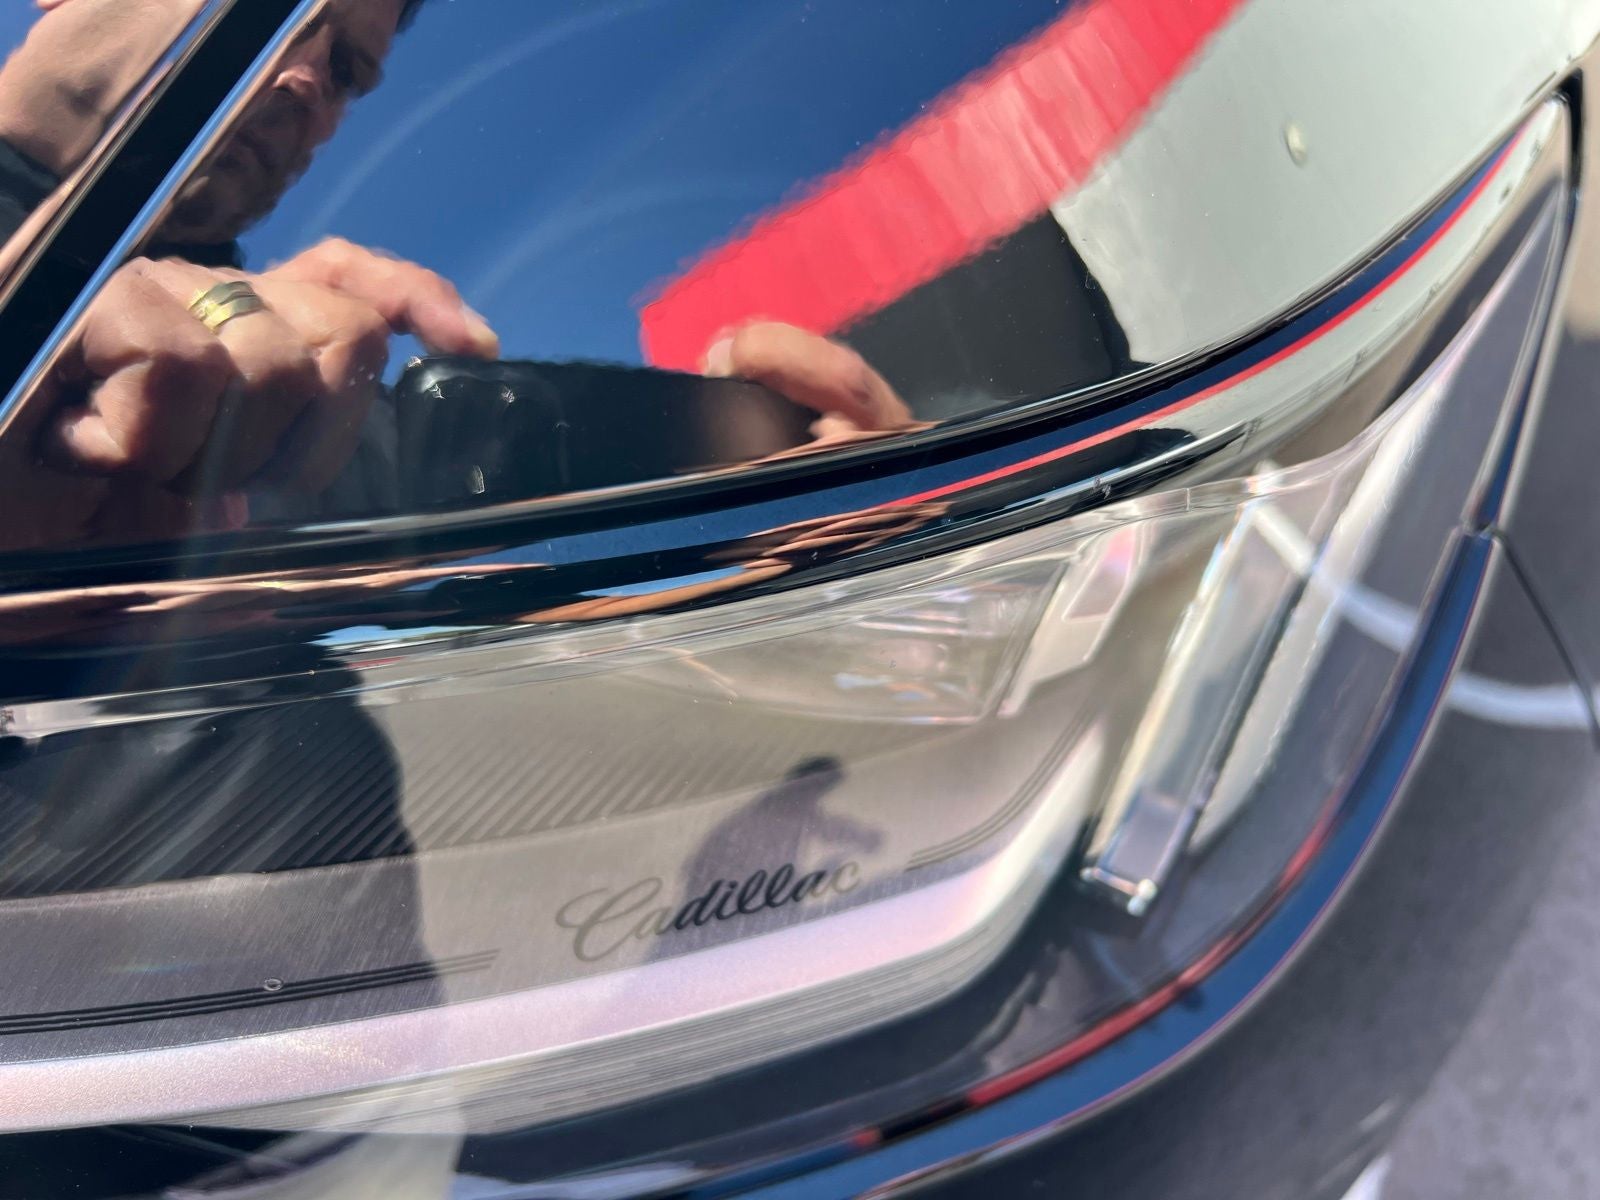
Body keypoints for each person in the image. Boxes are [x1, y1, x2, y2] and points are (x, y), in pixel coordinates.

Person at [0, 0, 915, 553]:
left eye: (347, 69)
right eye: (268, 11)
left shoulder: (303, 413)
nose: (305, 80)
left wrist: (756, 489)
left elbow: (484, 470)